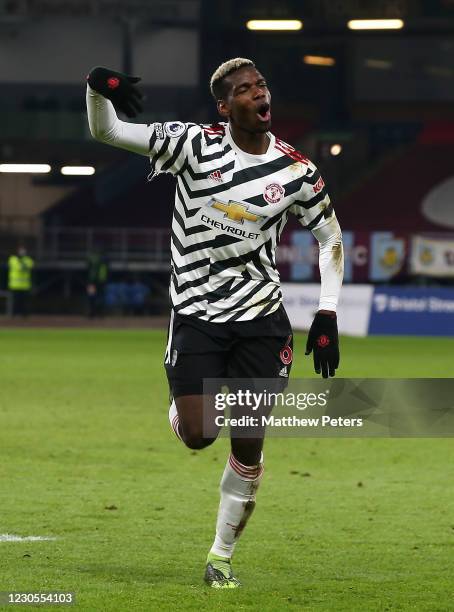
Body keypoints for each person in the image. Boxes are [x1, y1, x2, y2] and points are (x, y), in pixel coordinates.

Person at [86, 58, 344, 588]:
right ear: (224, 107)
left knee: (249, 442)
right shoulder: (192, 146)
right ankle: (187, 410)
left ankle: (220, 557)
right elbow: (106, 129)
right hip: (198, 315)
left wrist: (327, 312)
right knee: (201, 435)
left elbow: (330, 238)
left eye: (262, 85)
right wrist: (97, 86)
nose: (258, 93)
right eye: (245, 90)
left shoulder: (296, 171)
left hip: (262, 320)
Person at [7, 245, 34, 317]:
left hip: (25, 285)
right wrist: (22, 264)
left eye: (23, 250)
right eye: (20, 250)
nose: (22, 252)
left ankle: (25, 315)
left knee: (25, 302)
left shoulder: (28, 259)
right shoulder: (13, 259)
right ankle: (13, 315)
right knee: (15, 301)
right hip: (15, 285)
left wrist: (22, 263)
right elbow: (19, 268)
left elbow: (30, 266)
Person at [86, 250, 108, 318]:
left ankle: (95, 313)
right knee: (96, 297)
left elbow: (88, 267)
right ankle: (96, 313)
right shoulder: (104, 258)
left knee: (94, 297)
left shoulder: (92, 258)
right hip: (97, 281)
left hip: (95, 281)